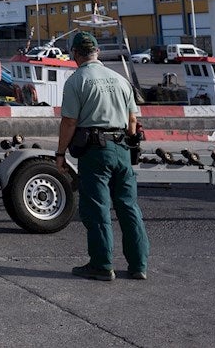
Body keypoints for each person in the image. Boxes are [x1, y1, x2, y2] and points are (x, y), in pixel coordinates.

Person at [56, 31, 149, 281]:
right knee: (129, 207)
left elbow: (69, 122)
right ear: (97, 52)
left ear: (76, 53)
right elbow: (132, 121)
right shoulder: (120, 80)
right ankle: (139, 265)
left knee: (97, 208)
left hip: (96, 152)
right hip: (122, 149)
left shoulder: (77, 81)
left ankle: (101, 264)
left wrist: (60, 154)